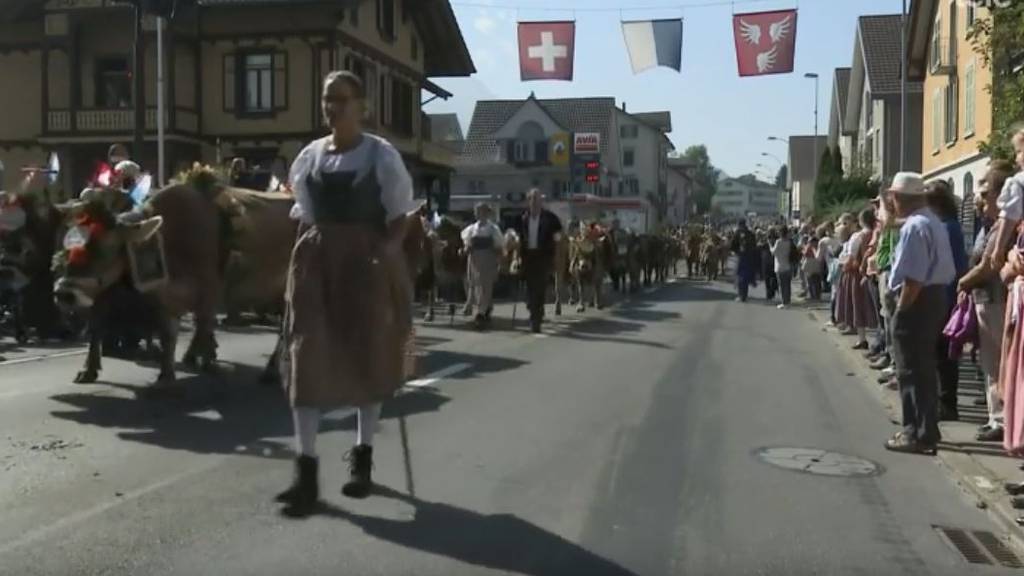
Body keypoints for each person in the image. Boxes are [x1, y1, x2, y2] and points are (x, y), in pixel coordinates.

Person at [276, 70, 417, 516]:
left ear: (362, 106)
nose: (333, 107)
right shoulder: (310, 157)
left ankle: (362, 458)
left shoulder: (380, 155)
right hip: (316, 262)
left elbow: (400, 214)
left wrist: (386, 251)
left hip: (363, 260)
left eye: (341, 99)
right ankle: (306, 473)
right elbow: (305, 214)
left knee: (365, 353)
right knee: (307, 355)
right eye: (326, 100)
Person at [884, 172, 956, 455]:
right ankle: (925, 426)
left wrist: (902, 310)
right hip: (933, 296)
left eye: (893, 196)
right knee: (923, 367)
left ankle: (916, 432)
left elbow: (913, 278)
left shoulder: (915, 227)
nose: (891, 201)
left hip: (918, 298)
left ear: (899, 198)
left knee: (911, 368)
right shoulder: (930, 220)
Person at [959, 164, 1014, 442]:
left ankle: (1003, 420)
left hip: (997, 300)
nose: (980, 199)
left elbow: (988, 265)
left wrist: (963, 282)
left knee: (999, 363)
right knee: (990, 363)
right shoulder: (990, 226)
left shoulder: (1006, 227)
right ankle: (996, 418)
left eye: (985, 191)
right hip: (986, 299)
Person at [927, 180, 969, 421]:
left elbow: (956, 265)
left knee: (943, 355)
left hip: (945, 296)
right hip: (943, 294)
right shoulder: (947, 225)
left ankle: (947, 404)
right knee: (940, 354)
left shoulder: (947, 228)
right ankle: (944, 402)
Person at [517, 189, 563, 333]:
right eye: (532, 199)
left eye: (538, 199)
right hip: (527, 256)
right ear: (528, 201)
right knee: (530, 288)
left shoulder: (549, 218)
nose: (535, 202)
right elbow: (517, 236)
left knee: (540, 287)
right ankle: (534, 310)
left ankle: (535, 319)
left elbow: (559, 234)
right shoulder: (523, 218)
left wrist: (557, 245)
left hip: (543, 256)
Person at [837, 209, 878, 348]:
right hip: (872, 271)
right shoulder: (876, 233)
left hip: (856, 273)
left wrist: (844, 265)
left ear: (861, 221)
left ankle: (862, 338)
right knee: (873, 306)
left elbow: (851, 256)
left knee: (857, 305)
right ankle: (876, 340)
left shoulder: (858, 236)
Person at [461, 202, 505, 329]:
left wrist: (498, 258)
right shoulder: (471, 229)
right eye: (478, 212)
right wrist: (466, 249)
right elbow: (467, 244)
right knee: (474, 284)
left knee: (485, 285)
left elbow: (499, 245)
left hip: (487, 259)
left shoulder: (493, 228)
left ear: (487, 213)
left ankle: (481, 312)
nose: (481, 214)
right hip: (474, 259)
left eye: (483, 211)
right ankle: (480, 309)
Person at [730, 220, 759, 302]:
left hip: (741, 257)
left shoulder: (737, 233)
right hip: (750, 258)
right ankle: (745, 295)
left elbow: (732, 246)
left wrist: (736, 251)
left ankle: (741, 295)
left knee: (740, 276)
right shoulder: (751, 233)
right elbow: (755, 246)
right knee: (746, 277)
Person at [771, 226, 794, 308]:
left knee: (781, 285)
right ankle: (788, 300)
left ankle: (784, 302)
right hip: (788, 265)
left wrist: (770, 246)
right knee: (787, 285)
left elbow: (773, 252)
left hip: (780, 266)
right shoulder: (789, 242)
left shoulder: (778, 242)